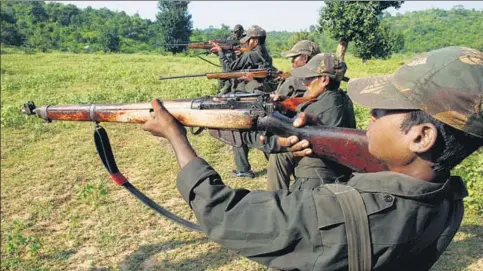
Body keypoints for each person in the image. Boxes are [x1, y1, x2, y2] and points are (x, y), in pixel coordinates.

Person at [142, 46, 483, 270]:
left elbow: (223, 213)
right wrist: (319, 138)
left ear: (421, 137)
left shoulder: (335, 212)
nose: (372, 117)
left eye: (382, 110)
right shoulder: (449, 197)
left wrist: (176, 136)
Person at [266, 44, 356, 191]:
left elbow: (293, 131)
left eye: (308, 78)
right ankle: (275, 196)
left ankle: (276, 202)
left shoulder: (326, 104)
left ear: (324, 80)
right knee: (278, 156)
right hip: (330, 165)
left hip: (319, 173)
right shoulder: (337, 97)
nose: (304, 83)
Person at [211, 25, 275, 178]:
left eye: (249, 40)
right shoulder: (265, 54)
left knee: (238, 129)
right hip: (259, 94)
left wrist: (221, 52)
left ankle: (244, 169)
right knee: (260, 129)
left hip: (249, 95)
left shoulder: (251, 55)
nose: (247, 43)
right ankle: (249, 166)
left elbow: (228, 70)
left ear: (255, 40)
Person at [218, 24, 245, 95]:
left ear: (241, 32)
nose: (235, 34)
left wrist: (241, 51)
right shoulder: (230, 40)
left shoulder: (246, 40)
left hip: (241, 69)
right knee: (227, 83)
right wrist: (218, 50)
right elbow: (224, 51)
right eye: (234, 32)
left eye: (236, 32)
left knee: (234, 88)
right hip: (230, 66)